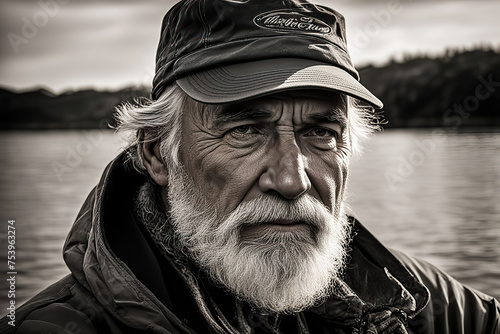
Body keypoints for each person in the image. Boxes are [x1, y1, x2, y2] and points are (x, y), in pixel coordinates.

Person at [2, 0, 499, 333]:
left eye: (322, 133)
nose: (291, 180)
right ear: (156, 153)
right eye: (245, 131)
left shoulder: (403, 295)